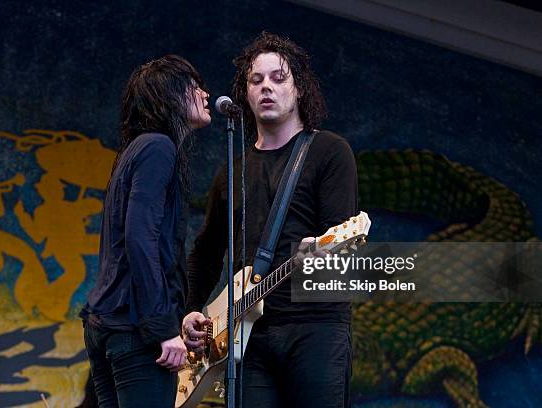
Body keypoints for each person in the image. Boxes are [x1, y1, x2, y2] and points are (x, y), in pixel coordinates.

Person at [183, 32, 358, 407]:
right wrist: (192, 309)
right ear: (244, 94)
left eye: (278, 78)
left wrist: (321, 257)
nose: (267, 88)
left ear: (299, 89)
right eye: (256, 80)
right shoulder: (233, 170)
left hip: (316, 328)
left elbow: (343, 249)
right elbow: (206, 252)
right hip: (247, 336)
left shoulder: (329, 152)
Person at [80, 55, 211, 407]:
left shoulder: (136, 150)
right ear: (171, 97)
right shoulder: (158, 147)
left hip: (108, 323)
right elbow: (141, 239)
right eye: (194, 87)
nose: (205, 94)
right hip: (134, 329)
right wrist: (162, 329)